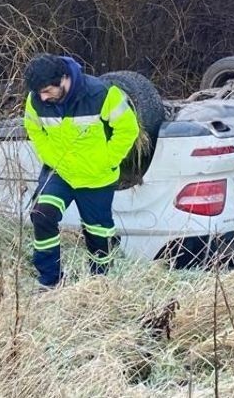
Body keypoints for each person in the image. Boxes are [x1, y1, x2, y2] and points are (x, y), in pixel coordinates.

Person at [22, 53, 139, 289]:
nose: (44, 97)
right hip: (60, 173)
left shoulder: (102, 94)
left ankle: (99, 279)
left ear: (63, 79)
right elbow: (33, 128)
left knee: (98, 233)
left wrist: (106, 161)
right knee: (42, 215)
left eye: (47, 90)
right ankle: (50, 281)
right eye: (39, 92)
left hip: (97, 177)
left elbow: (128, 129)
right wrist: (50, 158)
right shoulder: (36, 99)